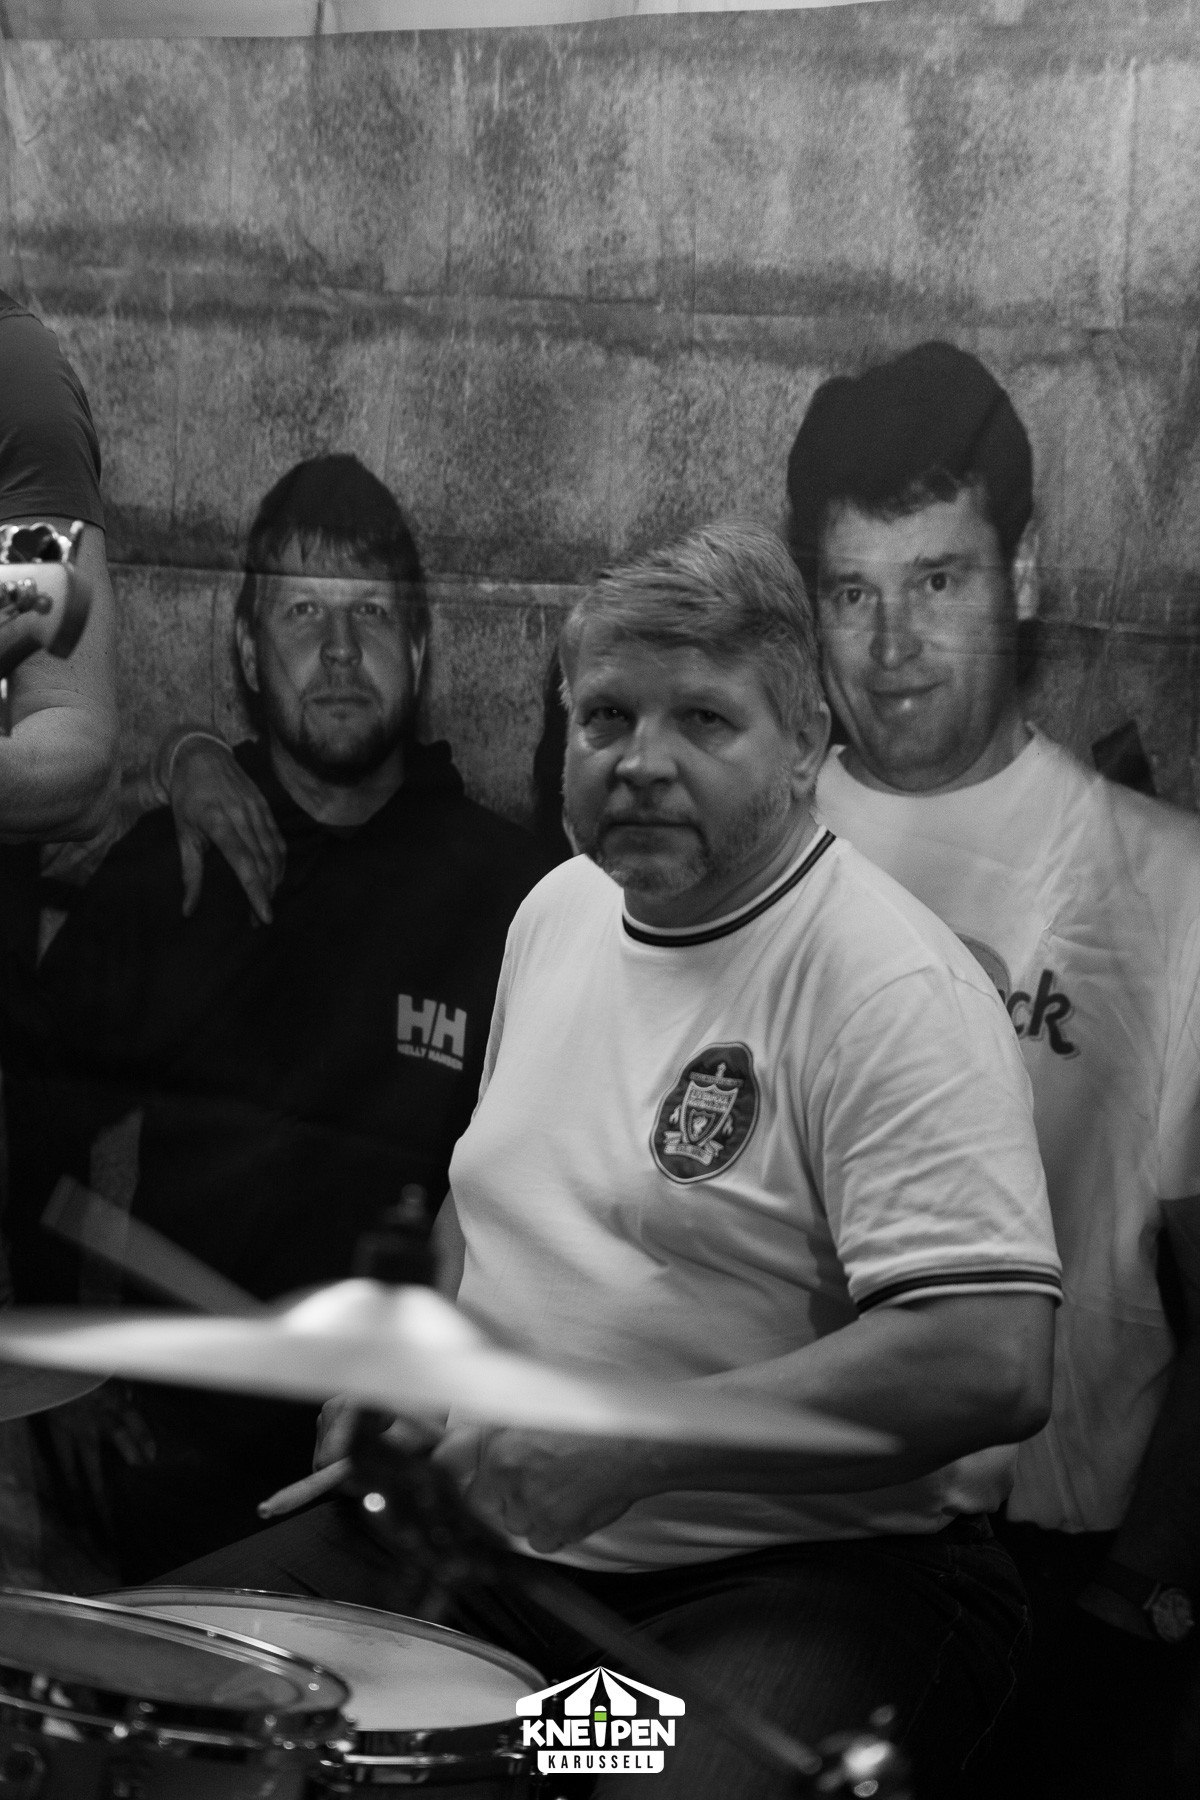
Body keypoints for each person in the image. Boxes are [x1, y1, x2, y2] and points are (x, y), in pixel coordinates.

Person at [170, 519, 1061, 1800]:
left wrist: (635, 1443)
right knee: (165, 1706)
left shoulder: (889, 987)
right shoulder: (560, 910)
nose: (641, 762)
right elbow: (493, 1201)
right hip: (493, 1553)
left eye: (704, 720)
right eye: (606, 718)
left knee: (602, 1779)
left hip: (798, 1585)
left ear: (807, 742)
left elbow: (990, 1359)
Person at [6, 454, 550, 1578]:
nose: (340, 652)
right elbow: (38, 1135)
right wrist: (63, 1386)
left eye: (373, 615)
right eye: (303, 613)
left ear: (423, 647)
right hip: (164, 1476)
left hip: (403, 1467)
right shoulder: (171, 871)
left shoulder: (517, 900)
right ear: (249, 651)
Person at [785, 340, 1200, 1796]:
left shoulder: (1168, 889)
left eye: (938, 580)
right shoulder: (740, 847)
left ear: (1020, 577)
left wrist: (1142, 1600)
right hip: (762, 1544)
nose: (892, 643)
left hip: (1047, 1581)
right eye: (853, 592)